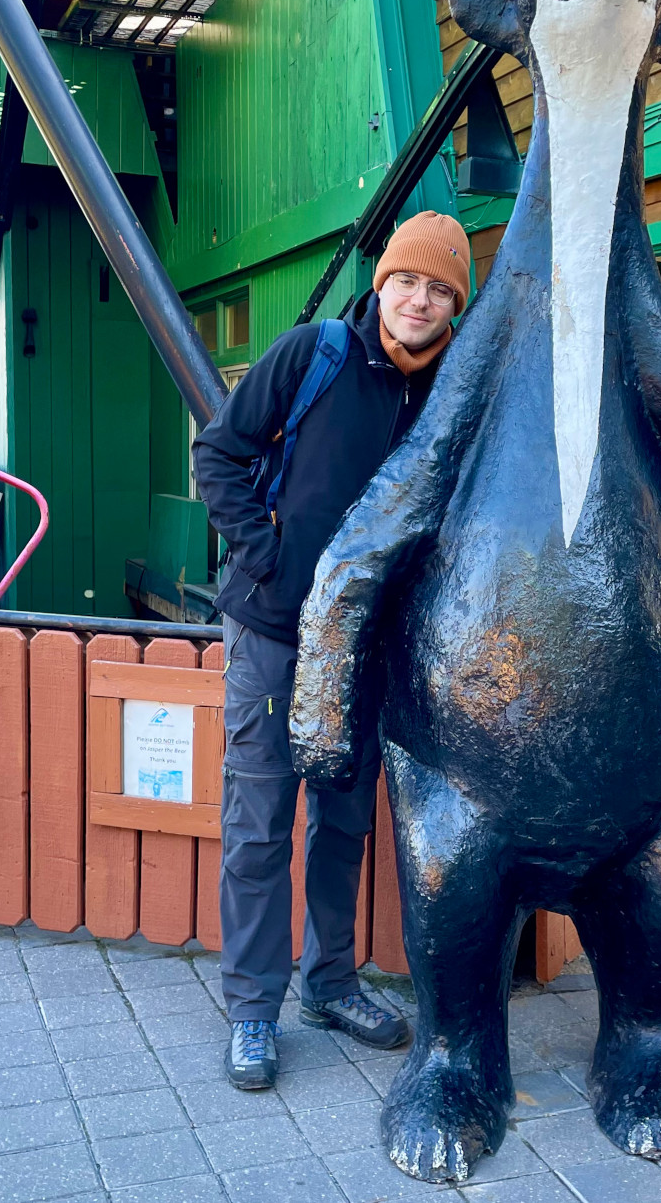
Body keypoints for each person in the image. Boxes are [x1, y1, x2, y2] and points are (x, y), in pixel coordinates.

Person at [192, 211, 470, 1090]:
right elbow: (219, 452)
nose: (418, 300)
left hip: (370, 648)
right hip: (275, 634)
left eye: (438, 288)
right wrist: (266, 555)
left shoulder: (451, 393)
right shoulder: (315, 355)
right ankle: (251, 1012)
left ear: (453, 303)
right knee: (260, 825)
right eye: (407, 281)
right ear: (381, 283)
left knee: (345, 820)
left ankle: (331, 982)